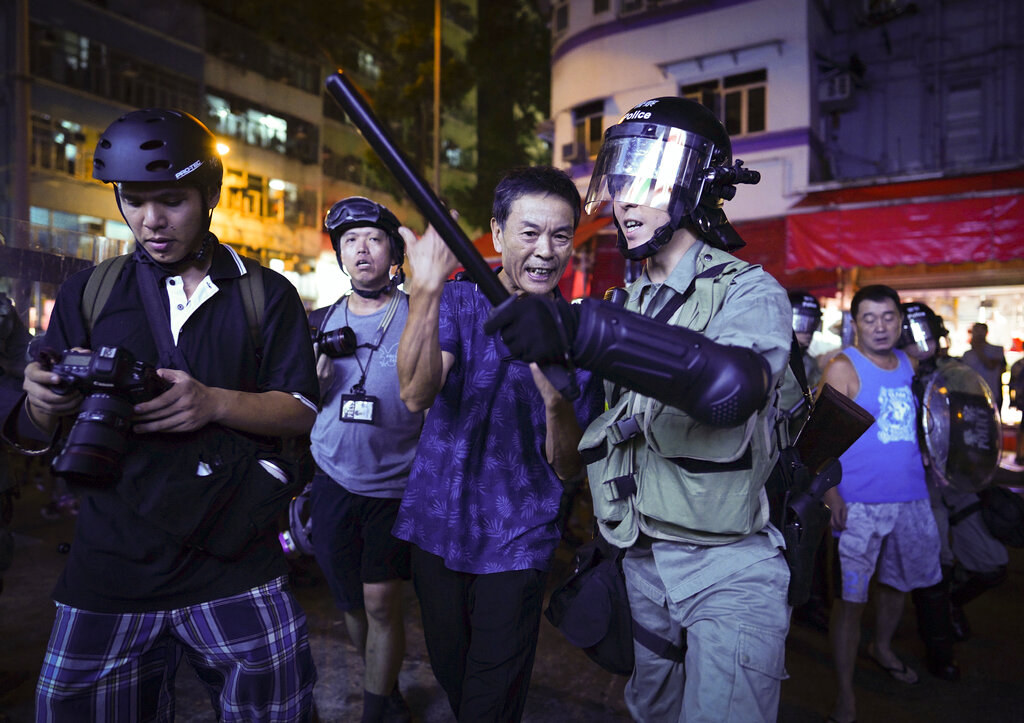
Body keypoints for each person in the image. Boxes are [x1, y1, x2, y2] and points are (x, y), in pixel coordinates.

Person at [488, 97, 794, 722]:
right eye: (619, 182)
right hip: (641, 563)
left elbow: (733, 386)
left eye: (645, 183)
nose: (624, 202)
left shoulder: (749, 291)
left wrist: (579, 332)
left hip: (726, 571)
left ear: (697, 186)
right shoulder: (623, 301)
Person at [12, 109, 319, 721]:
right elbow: (33, 427)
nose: (151, 221)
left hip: (235, 561)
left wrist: (214, 400)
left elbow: (303, 413)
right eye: (133, 200)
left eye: (172, 200)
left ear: (209, 194)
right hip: (108, 563)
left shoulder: (265, 295)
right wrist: (42, 402)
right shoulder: (88, 292)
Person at [394, 166, 605, 721]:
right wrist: (425, 288)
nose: (545, 251)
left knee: (490, 702)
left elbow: (568, 470)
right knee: (458, 684)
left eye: (560, 236)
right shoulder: (461, 303)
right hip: (436, 529)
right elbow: (416, 396)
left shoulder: (579, 333)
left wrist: (556, 401)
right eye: (529, 233)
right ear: (497, 231)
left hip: (518, 540)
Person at [308, 196, 422, 722]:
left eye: (373, 239)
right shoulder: (321, 319)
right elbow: (298, 398)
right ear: (339, 254)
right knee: (350, 602)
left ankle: (379, 707)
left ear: (392, 252)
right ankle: (384, 679)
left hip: (394, 484)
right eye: (350, 241)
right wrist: (313, 379)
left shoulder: (417, 312)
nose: (361, 250)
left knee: (380, 602)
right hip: (332, 475)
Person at [820, 285, 943, 723]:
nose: (879, 326)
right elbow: (819, 442)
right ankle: (845, 694)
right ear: (856, 323)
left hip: (911, 497)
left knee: (897, 585)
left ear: (899, 320)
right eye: (869, 318)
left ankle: (883, 647)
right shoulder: (843, 367)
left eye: (888, 317)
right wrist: (832, 493)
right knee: (851, 601)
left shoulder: (909, 365)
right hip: (859, 504)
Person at [898, 302, 1008, 658]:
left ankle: (949, 606)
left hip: (959, 481)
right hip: (919, 485)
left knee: (992, 564)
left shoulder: (957, 374)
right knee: (936, 564)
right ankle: (938, 646)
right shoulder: (894, 376)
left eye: (927, 332)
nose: (922, 341)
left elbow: (977, 427)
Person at [962, 322, 1007, 411]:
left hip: (992, 393)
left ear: (986, 332)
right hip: (972, 394)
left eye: (980, 331)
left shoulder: (996, 350)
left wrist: (978, 350)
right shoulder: (967, 354)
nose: (977, 334)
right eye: (975, 331)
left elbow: (991, 366)